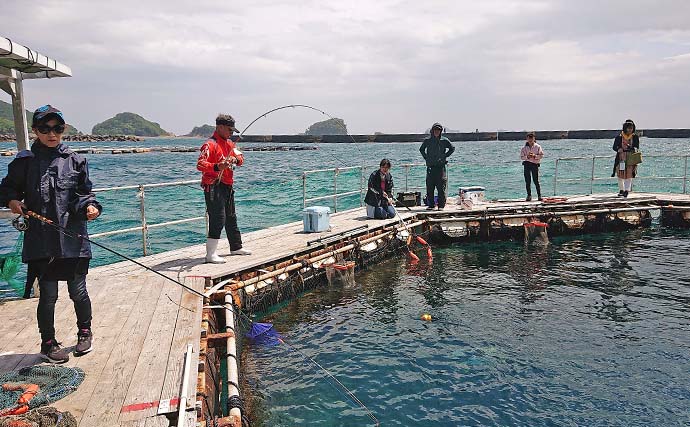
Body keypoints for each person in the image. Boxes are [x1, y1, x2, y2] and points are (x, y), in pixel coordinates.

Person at [0, 105, 102, 363]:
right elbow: (6, 190)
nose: (51, 133)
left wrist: (91, 207)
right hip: (41, 241)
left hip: (73, 239)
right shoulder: (24, 163)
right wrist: (13, 202)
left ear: (63, 129)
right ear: (35, 131)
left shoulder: (76, 161)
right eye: (44, 129)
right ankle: (48, 342)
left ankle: (85, 332)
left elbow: (85, 195)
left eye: (57, 128)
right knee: (48, 296)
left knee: (78, 291)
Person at [197, 114, 252, 263]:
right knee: (218, 218)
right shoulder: (210, 144)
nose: (231, 133)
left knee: (231, 216)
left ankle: (236, 247)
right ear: (220, 127)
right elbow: (200, 164)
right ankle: (210, 254)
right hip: (214, 185)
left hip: (228, 185)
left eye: (233, 131)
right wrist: (217, 166)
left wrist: (235, 159)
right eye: (229, 130)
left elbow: (241, 159)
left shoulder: (229, 143)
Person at [419, 123, 455, 210]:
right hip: (431, 167)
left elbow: (452, 148)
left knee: (441, 187)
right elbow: (421, 149)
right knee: (430, 187)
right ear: (432, 131)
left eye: (438, 130)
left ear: (441, 131)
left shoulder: (444, 140)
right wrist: (426, 157)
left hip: (440, 167)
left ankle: (441, 205)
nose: (436, 132)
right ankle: (431, 205)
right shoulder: (427, 140)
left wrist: (445, 155)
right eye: (435, 130)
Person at [612, 119, 640, 197]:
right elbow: (614, 147)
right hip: (621, 159)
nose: (630, 130)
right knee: (620, 174)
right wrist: (618, 149)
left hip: (631, 158)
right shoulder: (619, 137)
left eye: (631, 128)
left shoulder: (635, 137)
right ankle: (621, 189)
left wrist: (634, 148)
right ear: (625, 128)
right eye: (628, 128)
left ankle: (626, 191)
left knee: (629, 174)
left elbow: (637, 146)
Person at [520, 131, 544, 201]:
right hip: (527, 164)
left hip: (534, 164)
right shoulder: (524, 148)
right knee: (527, 181)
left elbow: (541, 155)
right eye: (529, 138)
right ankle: (529, 195)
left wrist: (535, 156)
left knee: (536, 180)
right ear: (527, 139)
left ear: (534, 138)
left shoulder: (538, 146)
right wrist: (527, 157)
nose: (530, 140)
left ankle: (539, 196)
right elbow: (521, 157)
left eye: (531, 138)